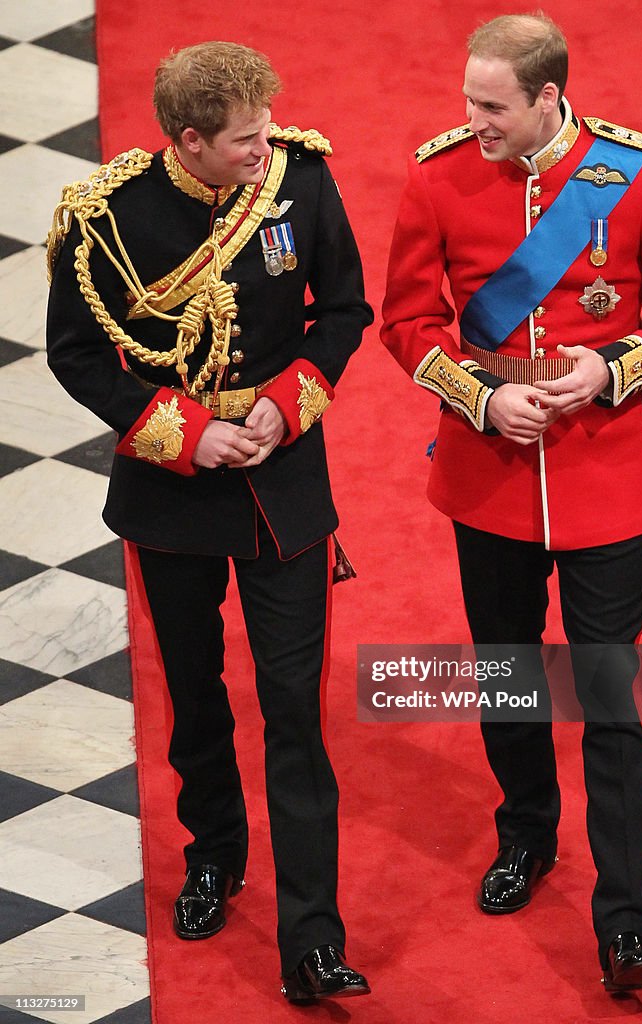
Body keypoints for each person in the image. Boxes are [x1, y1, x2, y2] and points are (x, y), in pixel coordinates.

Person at [381, 12, 642, 993]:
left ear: (547, 97)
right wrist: (482, 395)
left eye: (491, 107)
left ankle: (624, 920)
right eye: (467, 103)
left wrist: (610, 370)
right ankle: (525, 832)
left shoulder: (636, 175)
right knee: (509, 677)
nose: (473, 120)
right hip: (487, 477)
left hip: (604, 478)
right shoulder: (437, 174)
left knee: (609, 704)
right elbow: (406, 320)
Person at [46, 41, 372, 1003]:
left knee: (293, 711)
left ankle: (313, 939)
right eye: (243, 139)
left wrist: (291, 398)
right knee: (194, 693)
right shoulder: (105, 220)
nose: (264, 149)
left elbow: (343, 310)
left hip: (284, 487)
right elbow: (78, 355)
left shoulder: (300, 179)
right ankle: (212, 858)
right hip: (174, 492)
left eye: (267, 129)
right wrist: (184, 435)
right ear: (187, 141)